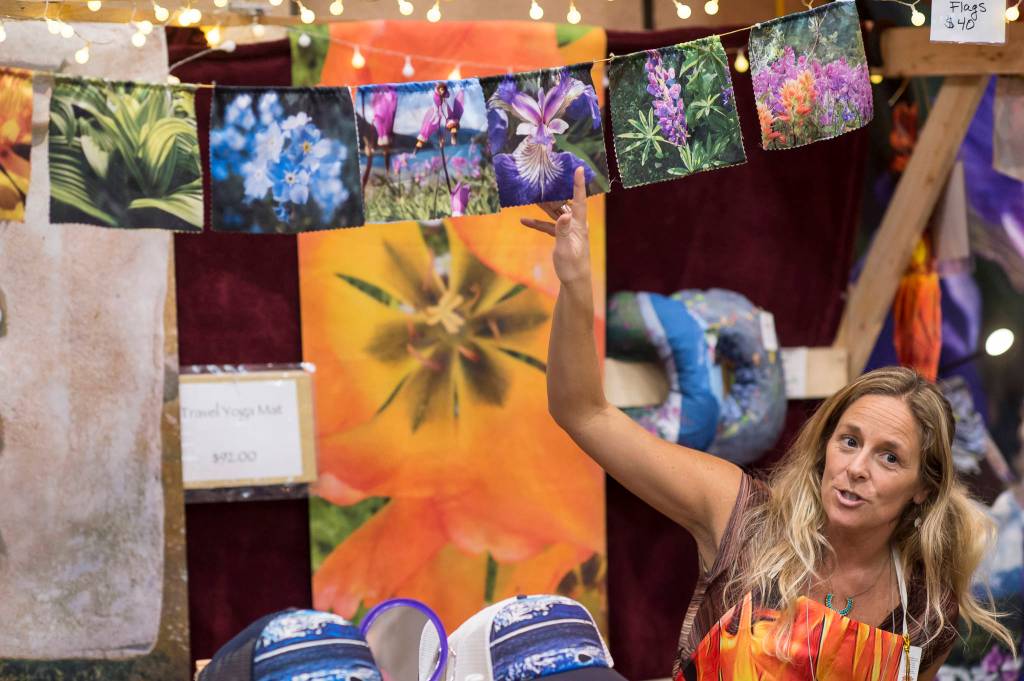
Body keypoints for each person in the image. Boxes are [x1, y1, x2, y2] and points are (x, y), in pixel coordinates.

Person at [521, 168, 1015, 681]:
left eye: (890, 457)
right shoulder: (741, 518)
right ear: (826, 450)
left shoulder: (926, 608)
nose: (857, 468)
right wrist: (576, 280)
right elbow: (583, 412)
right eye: (849, 442)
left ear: (922, 488)